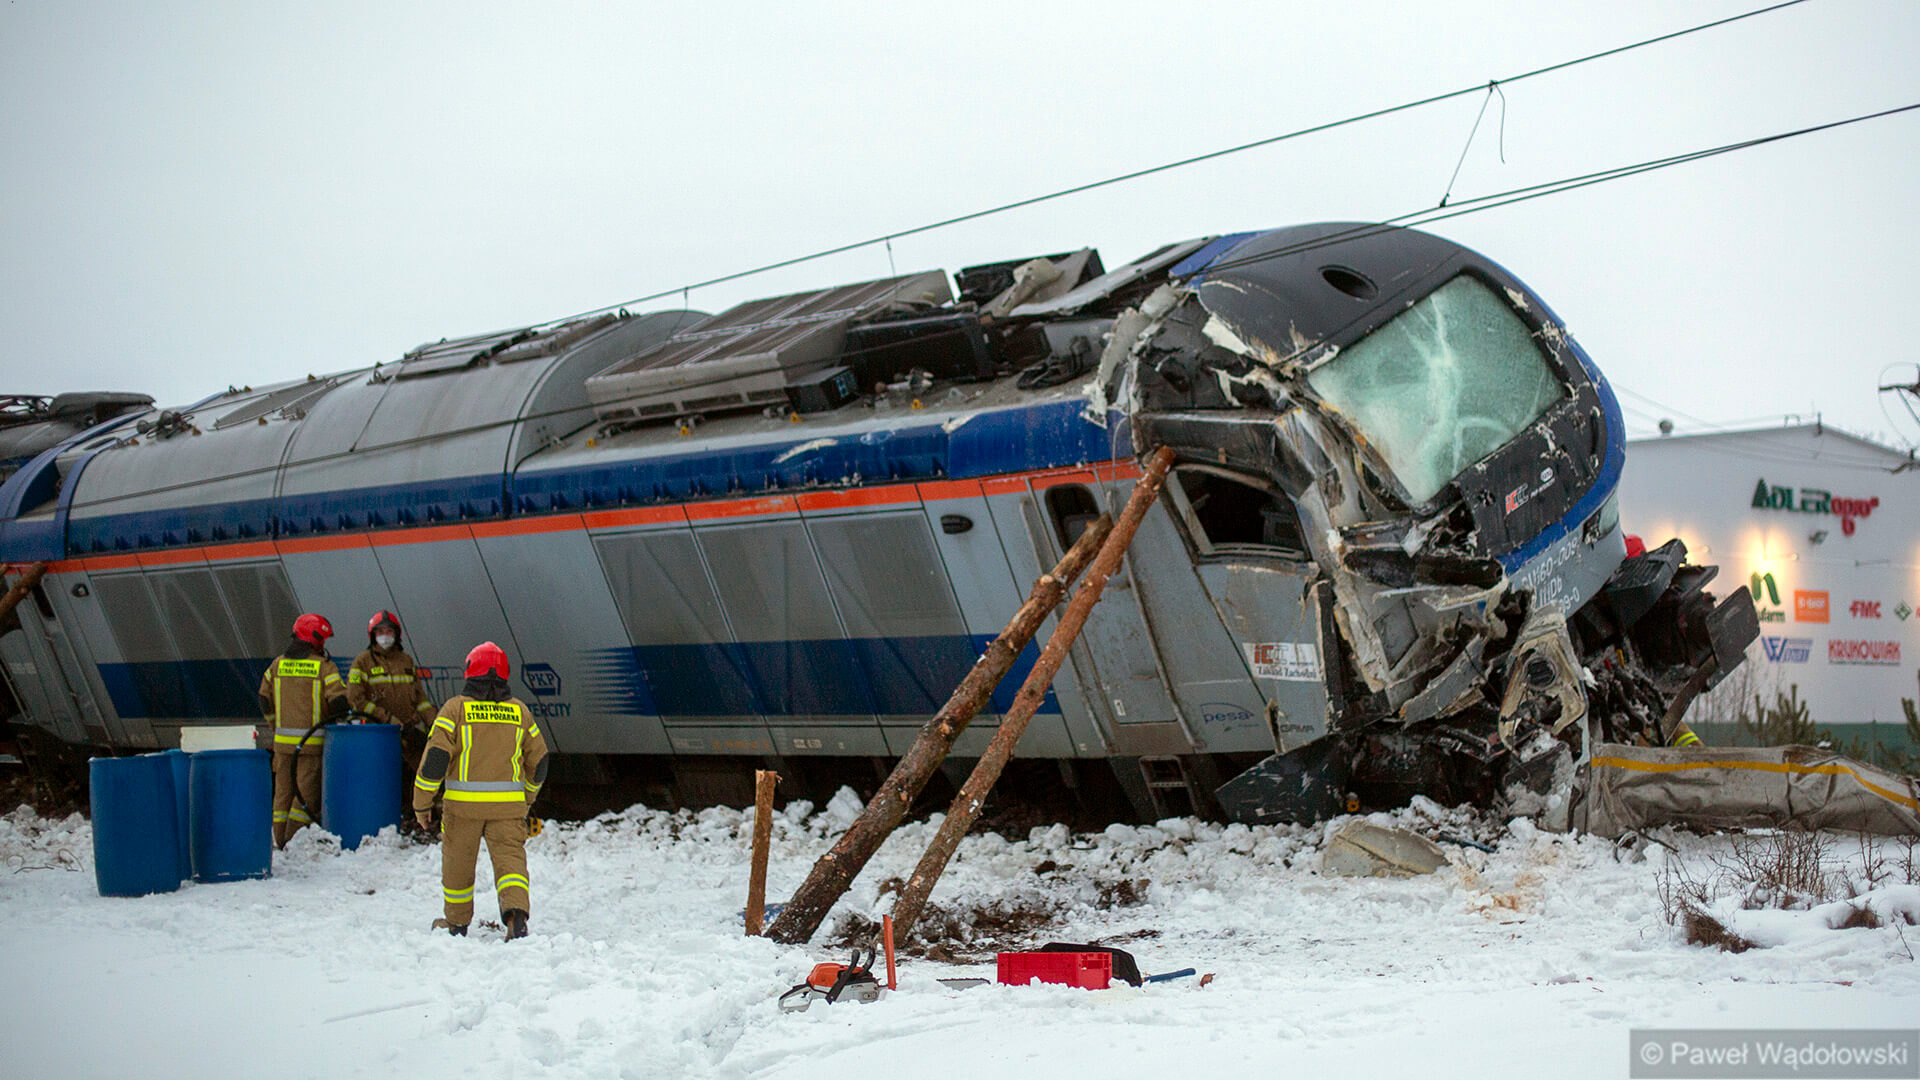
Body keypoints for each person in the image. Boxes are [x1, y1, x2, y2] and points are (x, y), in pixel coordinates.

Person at [413, 641, 548, 940]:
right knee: (511, 862)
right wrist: (526, 797)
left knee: (458, 862)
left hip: (463, 808)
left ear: (469, 671)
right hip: (508, 809)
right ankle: (516, 918)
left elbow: (435, 760)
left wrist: (422, 804)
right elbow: (539, 762)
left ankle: (457, 923)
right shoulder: (520, 712)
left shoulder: (455, 709)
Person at [257, 613, 348, 848]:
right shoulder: (323, 667)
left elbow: (264, 698)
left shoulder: (278, 664)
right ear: (313, 638)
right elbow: (339, 701)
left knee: (283, 794)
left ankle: (278, 838)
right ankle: (292, 841)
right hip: (311, 745)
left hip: (282, 745)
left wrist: (274, 724)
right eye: (322, 640)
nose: (323, 645)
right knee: (304, 795)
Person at [346, 610, 437, 827]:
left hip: (409, 733)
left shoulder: (406, 661)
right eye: (380, 631)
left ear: (397, 634)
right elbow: (356, 699)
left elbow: (420, 699)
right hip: (380, 735)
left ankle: (420, 819)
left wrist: (434, 725)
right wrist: (389, 719)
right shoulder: (362, 662)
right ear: (372, 635)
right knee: (387, 780)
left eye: (389, 631)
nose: (385, 636)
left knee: (422, 775)